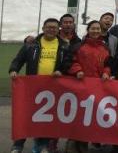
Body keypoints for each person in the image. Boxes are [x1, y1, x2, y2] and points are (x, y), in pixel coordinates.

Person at [9, 18, 72, 153]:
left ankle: (41, 146)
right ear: (43, 28)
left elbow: (68, 64)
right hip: (32, 87)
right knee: (26, 116)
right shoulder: (31, 44)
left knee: (46, 118)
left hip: (52, 89)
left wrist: (61, 71)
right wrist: (14, 70)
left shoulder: (64, 46)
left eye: (54, 28)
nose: (51, 29)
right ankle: (18, 145)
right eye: (48, 27)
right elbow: (18, 60)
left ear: (58, 29)